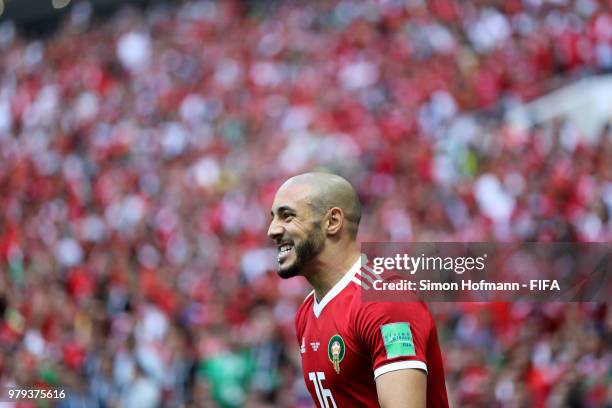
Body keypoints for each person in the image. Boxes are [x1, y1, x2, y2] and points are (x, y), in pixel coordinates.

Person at [267, 172, 449, 408]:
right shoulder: (307, 312)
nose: (272, 230)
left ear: (332, 222)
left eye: (287, 216)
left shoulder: (385, 301)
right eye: (273, 218)